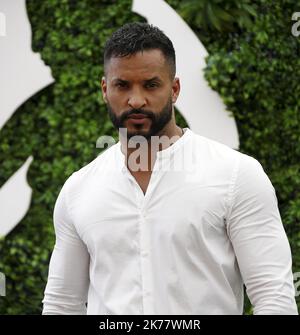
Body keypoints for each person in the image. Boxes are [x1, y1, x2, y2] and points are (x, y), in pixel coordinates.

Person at [42, 22, 298, 315]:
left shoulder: (236, 175)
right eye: (122, 85)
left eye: (151, 85)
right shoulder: (79, 190)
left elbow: (273, 298)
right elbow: (62, 304)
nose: (136, 100)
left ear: (174, 89)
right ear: (105, 89)